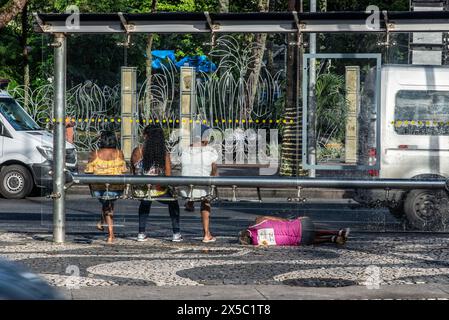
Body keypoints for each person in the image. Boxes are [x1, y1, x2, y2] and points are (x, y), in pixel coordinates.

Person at [131, 125, 182, 242]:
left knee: (145, 203)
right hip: (159, 189)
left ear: (146, 136)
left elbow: (133, 171)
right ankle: (176, 233)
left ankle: (141, 232)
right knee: (173, 203)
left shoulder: (137, 151)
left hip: (141, 190)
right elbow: (168, 176)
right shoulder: (163, 153)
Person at [85, 131, 127, 244]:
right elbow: (123, 170)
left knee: (106, 205)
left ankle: (110, 234)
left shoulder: (95, 154)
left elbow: (88, 171)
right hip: (116, 187)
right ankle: (108, 230)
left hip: (98, 187)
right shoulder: (119, 153)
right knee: (109, 205)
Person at [179, 124, 218, 243]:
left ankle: (190, 202)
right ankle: (206, 234)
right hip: (202, 188)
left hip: (185, 188)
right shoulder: (210, 150)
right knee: (206, 198)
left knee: (194, 177)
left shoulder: (185, 150)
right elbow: (214, 170)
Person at [238, 215, 350, 246]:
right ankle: (337, 232)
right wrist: (294, 220)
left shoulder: (259, 243)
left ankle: (332, 239)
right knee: (302, 227)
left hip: (303, 241)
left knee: (301, 239)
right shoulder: (259, 220)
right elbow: (282, 220)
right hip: (303, 225)